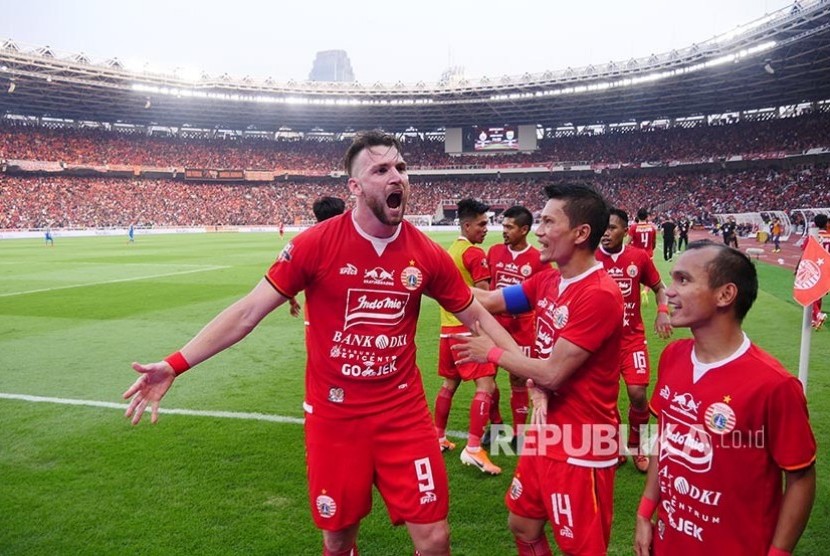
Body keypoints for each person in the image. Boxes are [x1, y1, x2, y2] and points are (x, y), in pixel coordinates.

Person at [122, 131, 519, 556]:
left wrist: (529, 367)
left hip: (403, 414)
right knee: (337, 538)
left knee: (436, 538)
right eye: (381, 170)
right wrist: (175, 364)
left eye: (401, 168)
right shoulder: (315, 245)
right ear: (355, 186)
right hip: (335, 418)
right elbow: (247, 312)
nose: (396, 178)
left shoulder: (426, 254)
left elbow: (476, 314)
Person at [453, 183, 624, 555]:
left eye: (548, 222)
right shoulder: (548, 279)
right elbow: (492, 300)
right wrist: (438, 281)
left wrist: (492, 353)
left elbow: (551, 374)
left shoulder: (599, 294)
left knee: (582, 549)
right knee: (523, 523)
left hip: (581, 446)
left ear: (581, 233)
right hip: (545, 433)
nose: (539, 231)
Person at [634, 240, 816, 555]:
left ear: (725, 294)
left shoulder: (774, 384)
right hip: (669, 539)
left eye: (684, 280)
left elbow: (800, 478)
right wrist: (645, 510)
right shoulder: (673, 356)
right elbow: (663, 439)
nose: (669, 291)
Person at [596, 208, 672, 473]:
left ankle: (637, 446)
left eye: (612, 228)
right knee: (605, 399)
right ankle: (614, 446)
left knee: (638, 394)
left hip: (631, 340)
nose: (606, 232)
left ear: (625, 231)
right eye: (603, 227)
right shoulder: (590, 259)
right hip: (599, 346)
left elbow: (660, 288)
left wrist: (662, 313)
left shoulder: (638, 257)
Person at [433, 197, 503, 475]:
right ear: (466, 224)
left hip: (446, 330)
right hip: (468, 330)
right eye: (482, 224)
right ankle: (474, 448)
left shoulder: (450, 250)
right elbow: (485, 298)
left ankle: (437, 437)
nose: (486, 229)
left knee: (449, 385)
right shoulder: (474, 254)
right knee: (485, 387)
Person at [484, 205, 550, 445]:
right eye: (503, 226)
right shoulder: (492, 252)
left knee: (518, 380)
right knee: (487, 380)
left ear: (524, 230)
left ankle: (519, 434)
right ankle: (495, 425)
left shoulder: (538, 260)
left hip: (522, 330)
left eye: (509, 227)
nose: (504, 230)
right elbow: (487, 289)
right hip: (493, 327)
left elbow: (544, 295)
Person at [802, 213, 830, 329]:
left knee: (810, 292)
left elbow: (805, 251)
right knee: (819, 293)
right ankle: (815, 318)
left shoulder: (813, 236)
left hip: (817, 267)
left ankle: (818, 314)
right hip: (828, 266)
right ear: (826, 224)